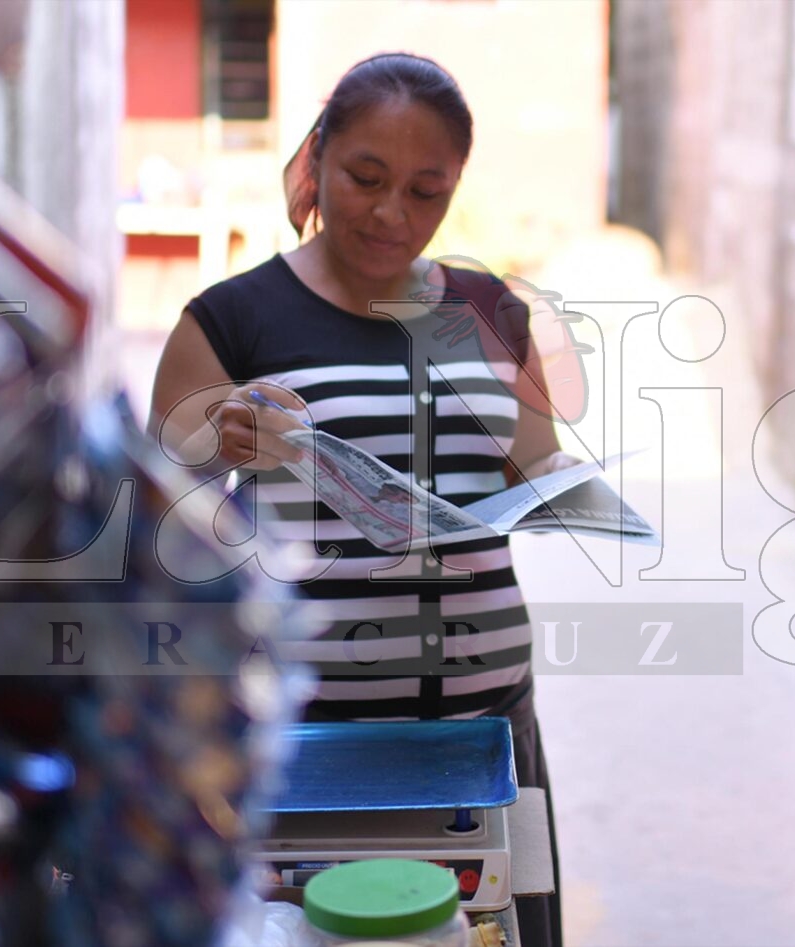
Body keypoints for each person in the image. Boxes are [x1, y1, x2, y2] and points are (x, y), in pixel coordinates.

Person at [149, 53, 569, 947]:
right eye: (366, 179)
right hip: (315, 749)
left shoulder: (489, 309)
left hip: (486, 731)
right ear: (318, 156)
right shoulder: (231, 320)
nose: (392, 215)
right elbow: (154, 530)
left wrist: (561, 489)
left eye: (427, 191)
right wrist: (212, 445)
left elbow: (533, 469)